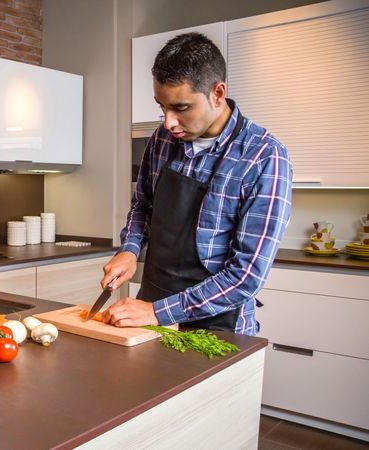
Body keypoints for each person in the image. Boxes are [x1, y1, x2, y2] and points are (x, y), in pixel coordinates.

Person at [100, 32, 292, 335]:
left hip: (218, 329)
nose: (168, 122)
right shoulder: (162, 140)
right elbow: (143, 205)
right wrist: (130, 249)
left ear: (217, 93)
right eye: (161, 107)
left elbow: (245, 277)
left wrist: (157, 312)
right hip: (148, 318)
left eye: (181, 108)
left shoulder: (265, 157)